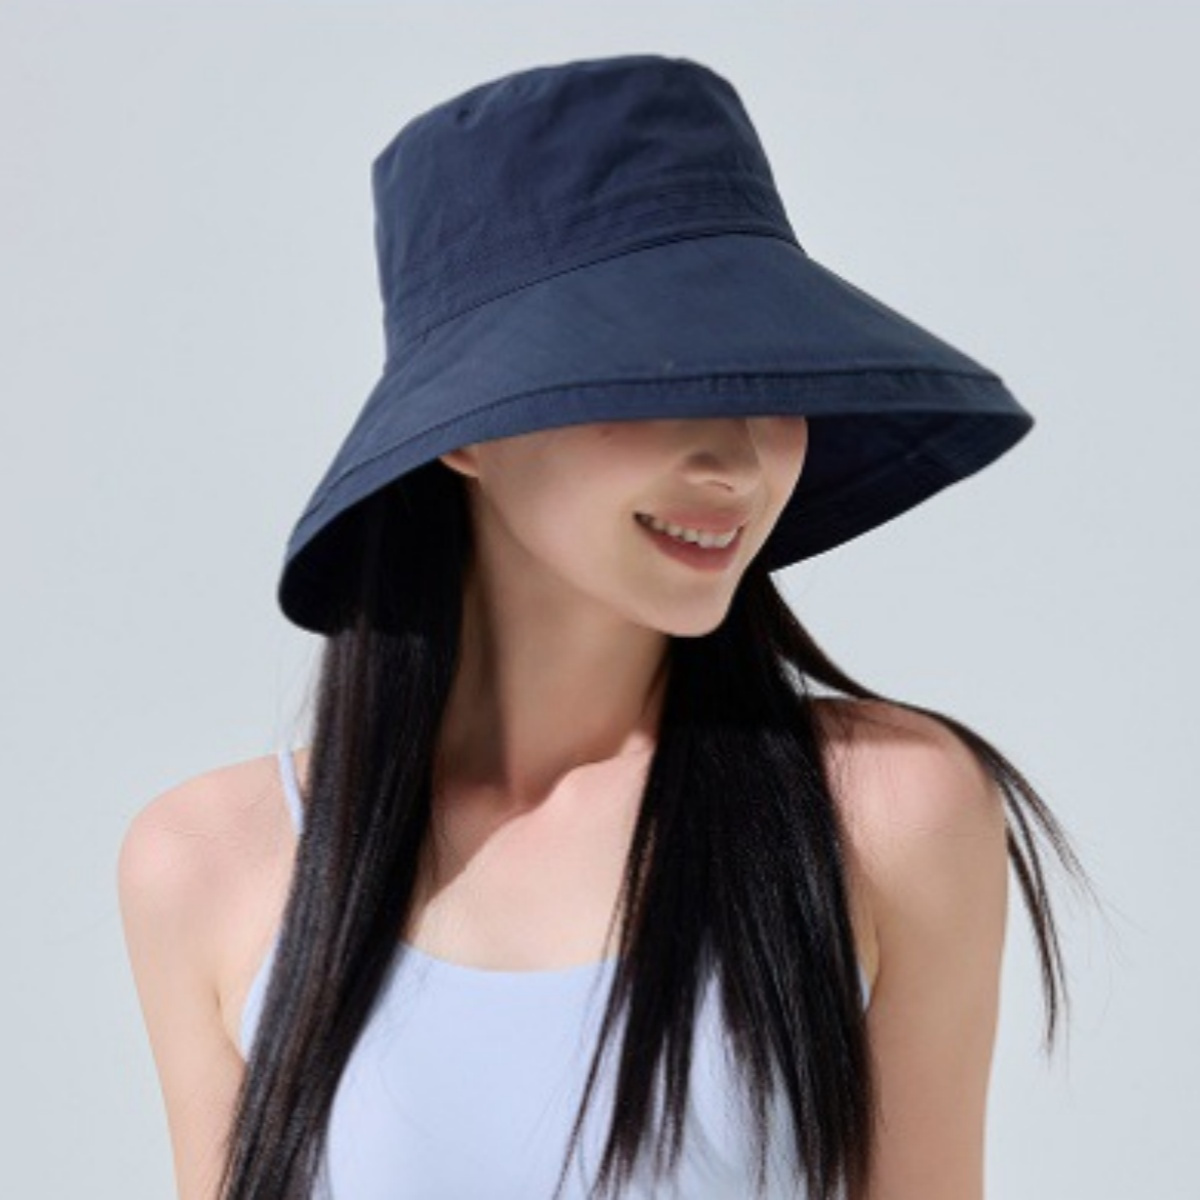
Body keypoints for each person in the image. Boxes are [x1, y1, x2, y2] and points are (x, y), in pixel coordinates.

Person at [118, 53, 1098, 1200]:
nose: (736, 461)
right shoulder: (209, 865)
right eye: (654, 379)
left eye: (766, 376)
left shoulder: (886, 812)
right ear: (465, 429)